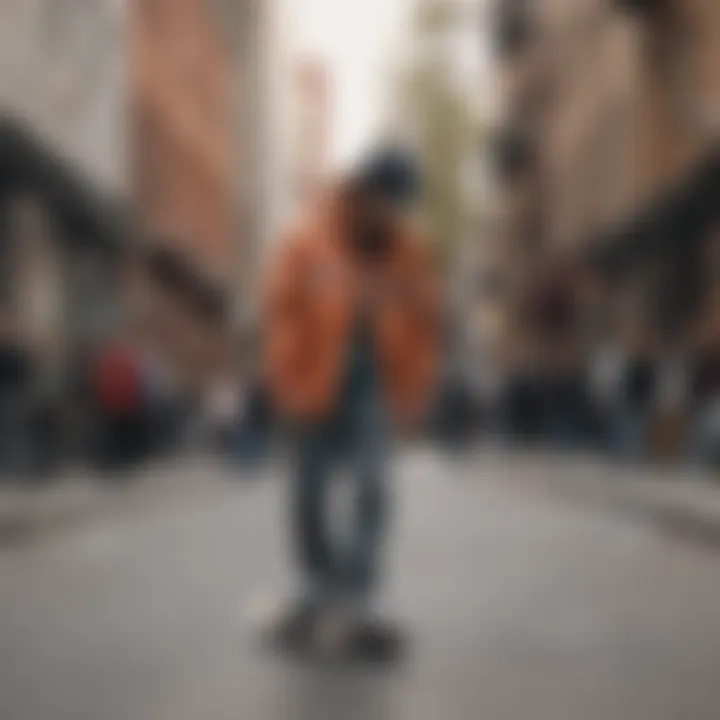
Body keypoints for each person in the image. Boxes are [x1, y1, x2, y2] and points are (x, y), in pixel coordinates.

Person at [262, 149, 440, 652]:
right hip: (313, 384)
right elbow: (282, 317)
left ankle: (357, 596)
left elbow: (426, 327)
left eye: (400, 207)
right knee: (308, 494)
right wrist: (285, 384)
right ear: (362, 192)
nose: (393, 216)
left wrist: (413, 394)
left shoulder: (410, 253)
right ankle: (318, 588)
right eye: (387, 203)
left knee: (374, 487)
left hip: (374, 389)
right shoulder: (306, 241)